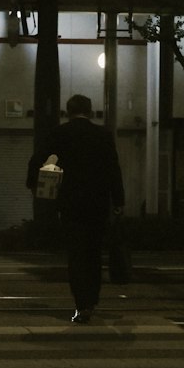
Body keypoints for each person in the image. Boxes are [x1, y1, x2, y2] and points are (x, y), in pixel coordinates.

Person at [28, 93, 124, 323]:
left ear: (68, 111)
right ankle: (92, 299)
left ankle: (81, 303)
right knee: (93, 253)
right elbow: (113, 169)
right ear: (89, 111)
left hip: (70, 203)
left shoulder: (60, 134)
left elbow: (37, 160)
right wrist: (118, 200)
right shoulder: (102, 135)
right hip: (98, 203)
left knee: (76, 253)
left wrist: (36, 186)